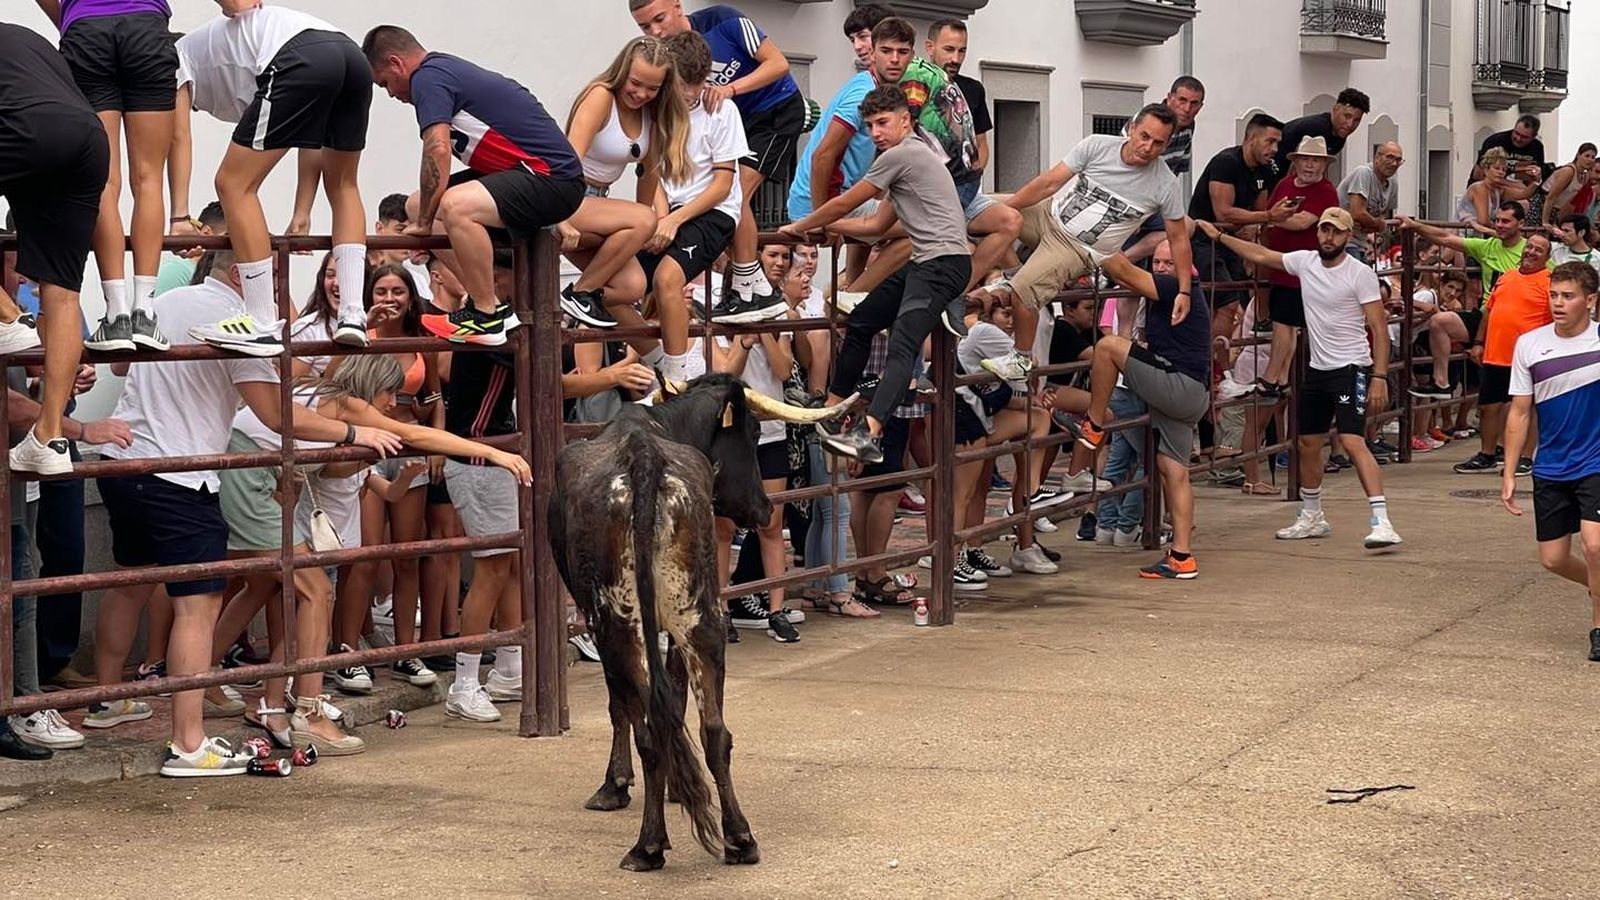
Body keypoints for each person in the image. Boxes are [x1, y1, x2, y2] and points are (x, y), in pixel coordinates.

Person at [88, 249, 402, 776]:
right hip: (181, 470)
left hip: (125, 457)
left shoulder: (165, 301)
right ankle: (189, 744)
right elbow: (274, 412)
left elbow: (119, 362)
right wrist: (354, 432)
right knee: (199, 604)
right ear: (241, 276)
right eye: (269, 277)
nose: (277, 290)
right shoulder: (243, 322)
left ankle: (106, 698)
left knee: (129, 582)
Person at [782, 85, 971, 462]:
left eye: (882, 123)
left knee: (902, 343)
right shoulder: (910, 155)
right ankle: (833, 409)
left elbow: (847, 201)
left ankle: (868, 432)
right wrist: (834, 230)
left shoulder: (901, 154)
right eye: (869, 125)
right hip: (927, 262)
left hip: (941, 264)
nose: (875, 133)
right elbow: (873, 226)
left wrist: (799, 226)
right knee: (863, 321)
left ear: (905, 120)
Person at [363, 25, 585, 345]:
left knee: (453, 206)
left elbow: (437, 148)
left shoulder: (428, 77)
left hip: (552, 179)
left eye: (385, 83)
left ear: (397, 63)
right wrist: (422, 215)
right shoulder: (441, 72)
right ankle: (482, 299)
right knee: (414, 205)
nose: (391, 94)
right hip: (526, 176)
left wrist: (425, 224)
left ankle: (487, 314)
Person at [173, 1, 372, 355]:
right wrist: (302, 211)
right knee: (344, 185)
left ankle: (261, 321)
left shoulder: (172, 60)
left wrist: (180, 216)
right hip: (349, 56)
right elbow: (310, 136)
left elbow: (178, 137)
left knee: (233, 185)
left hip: (298, 54)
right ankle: (353, 314)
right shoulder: (236, 66)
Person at [1196, 210, 1402, 551]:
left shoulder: (1360, 273)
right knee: (1306, 443)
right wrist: (1218, 237)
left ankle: (1382, 521)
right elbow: (1262, 255)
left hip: (1353, 367)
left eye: (1335, 232)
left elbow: (1379, 329)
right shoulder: (1305, 262)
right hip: (1318, 369)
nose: (1328, 238)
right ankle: (1311, 515)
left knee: (1352, 441)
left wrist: (1378, 376)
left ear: (1348, 236)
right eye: (1324, 230)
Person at [824, 19, 1020, 316]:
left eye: (865, 39)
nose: (861, 48)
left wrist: (817, 220)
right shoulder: (919, 74)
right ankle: (861, 288)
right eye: (856, 40)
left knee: (908, 229)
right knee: (1007, 221)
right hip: (957, 177)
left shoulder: (911, 79)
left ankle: (858, 292)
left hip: (949, 180)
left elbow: (905, 132)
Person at [630, 0, 804, 322]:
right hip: (735, 114)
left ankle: (749, 284)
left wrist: (730, 89)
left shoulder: (724, 20)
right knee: (725, 191)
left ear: (677, 6)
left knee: (738, 190)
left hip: (774, 110)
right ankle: (747, 284)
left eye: (659, 19)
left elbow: (779, 64)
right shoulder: (664, 57)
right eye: (644, 27)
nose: (655, 31)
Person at [993, 103, 1193, 372]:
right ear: (1132, 129)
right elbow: (1049, 183)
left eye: (1158, 143)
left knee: (1024, 291)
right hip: (1048, 213)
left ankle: (1021, 359)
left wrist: (1184, 290)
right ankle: (990, 278)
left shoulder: (1165, 184)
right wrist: (1008, 210)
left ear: (1167, 145)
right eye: (1144, 136)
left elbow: (1178, 238)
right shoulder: (1098, 145)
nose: (1148, 147)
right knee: (982, 211)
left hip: (1078, 247)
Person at [1057, 252, 1212, 579]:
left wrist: (1098, 242)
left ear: (1185, 266)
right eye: (1156, 262)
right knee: (1173, 470)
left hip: (1177, 384)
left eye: (1169, 262)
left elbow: (1123, 272)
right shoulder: (1176, 289)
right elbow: (1128, 279)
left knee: (1107, 347)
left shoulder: (1178, 286)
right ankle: (1182, 557)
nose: (1161, 268)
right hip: (1192, 392)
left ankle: (1095, 424)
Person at [34, 0, 175, 353]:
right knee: (149, 178)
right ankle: (145, 310)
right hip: (145, 25)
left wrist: (71, 16)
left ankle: (116, 314)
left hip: (86, 29)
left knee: (103, 183)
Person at [0, 24, 108, 476]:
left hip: (31, 127)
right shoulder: (24, 38)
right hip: (87, 141)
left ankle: (10, 319)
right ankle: (48, 436)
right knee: (61, 291)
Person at [1500, 261, 1600, 662]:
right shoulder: (1530, 344)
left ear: (1590, 301)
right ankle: (1598, 586)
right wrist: (1508, 472)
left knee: (1595, 547)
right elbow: (1520, 413)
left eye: (1568, 296)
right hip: (1550, 465)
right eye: (1554, 295)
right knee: (1554, 559)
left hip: (1595, 461)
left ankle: (1598, 627)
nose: (1558, 303)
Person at [553, 37, 686, 330]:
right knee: (643, 219)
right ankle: (580, 294)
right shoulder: (601, 96)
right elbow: (569, 159)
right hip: (567, 195)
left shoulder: (653, 115)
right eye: (636, 83)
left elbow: (648, 173)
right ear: (623, 72)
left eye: (652, 88)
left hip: (598, 203)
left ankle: (572, 297)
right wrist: (560, 217)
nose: (641, 94)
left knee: (633, 287)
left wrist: (643, 228)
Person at [1449, 234, 1553, 476]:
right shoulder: (1506, 276)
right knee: (1488, 407)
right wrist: (1478, 342)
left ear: (1547, 258)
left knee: (1529, 409)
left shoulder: (1550, 281)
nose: (1531, 252)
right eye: (1530, 247)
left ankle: (1526, 457)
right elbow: (1488, 312)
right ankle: (1487, 454)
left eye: (1539, 250)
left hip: (1529, 358)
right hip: (1496, 354)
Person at [1256, 136, 1341, 401]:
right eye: (1305, 159)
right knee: (1287, 324)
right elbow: (1271, 216)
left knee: (1284, 322)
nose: (1309, 165)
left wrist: (1274, 219)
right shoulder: (1283, 184)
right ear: (1297, 161)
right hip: (1279, 264)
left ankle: (1271, 377)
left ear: (1324, 165)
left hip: (1304, 267)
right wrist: (1271, 221)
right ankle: (1280, 378)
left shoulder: (1326, 191)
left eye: (1315, 160)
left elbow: (1302, 222)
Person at [1187, 113, 1287, 340]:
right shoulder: (1226, 162)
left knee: (1239, 303)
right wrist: (1269, 215)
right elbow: (1223, 210)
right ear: (1251, 138)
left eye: (1278, 143)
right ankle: (1213, 366)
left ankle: (1224, 363)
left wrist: (1257, 225)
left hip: (1230, 241)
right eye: (1270, 141)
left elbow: (1257, 213)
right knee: (1226, 303)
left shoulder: (1266, 168)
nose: (1275, 149)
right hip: (1204, 239)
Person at [1401, 202, 1530, 304]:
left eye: (1505, 221)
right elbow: (1445, 238)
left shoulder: (1531, 250)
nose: (1499, 225)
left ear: (1521, 223)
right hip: (1489, 310)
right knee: (1441, 322)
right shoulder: (1486, 246)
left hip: (1519, 308)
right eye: (1497, 220)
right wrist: (1414, 225)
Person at [1273, 88, 1370, 179]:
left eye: (1356, 120)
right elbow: (1298, 172)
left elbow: (1321, 170)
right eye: (1347, 116)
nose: (1350, 124)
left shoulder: (1339, 138)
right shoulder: (1318, 128)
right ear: (1336, 109)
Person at [1339, 141, 1404, 262]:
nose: (1394, 163)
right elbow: (1357, 213)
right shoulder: (1363, 173)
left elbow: (1383, 214)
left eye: (1398, 160)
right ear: (1377, 158)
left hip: (1363, 242)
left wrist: (1373, 223)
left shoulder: (1393, 183)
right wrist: (1378, 224)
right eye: (1389, 157)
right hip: (1343, 242)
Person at [1458, 148, 1537, 235]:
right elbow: (1483, 220)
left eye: (1503, 170)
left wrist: (1536, 181)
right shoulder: (1479, 187)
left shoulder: (1499, 190)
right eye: (1496, 168)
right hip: (1463, 234)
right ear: (1486, 170)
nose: (1500, 172)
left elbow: (1524, 194)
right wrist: (1503, 228)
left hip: (1478, 235)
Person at [1536, 143, 1596, 227]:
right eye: (1587, 156)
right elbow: (1551, 197)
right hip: (1542, 206)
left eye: (1593, 157)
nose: (1590, 159)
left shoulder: (1585, 176)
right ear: (1578, 155)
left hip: (1556, 210)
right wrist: (1545, 222)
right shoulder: (1569, 171)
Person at [1477, 114, 1546, 183]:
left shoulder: (1537, 147)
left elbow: (1538, 175)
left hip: (1522, 188)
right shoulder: (1495, 141)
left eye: (1524, 137)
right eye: (1516, 133)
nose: (1518, 139)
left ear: (1533, 137)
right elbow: (1479, 171)